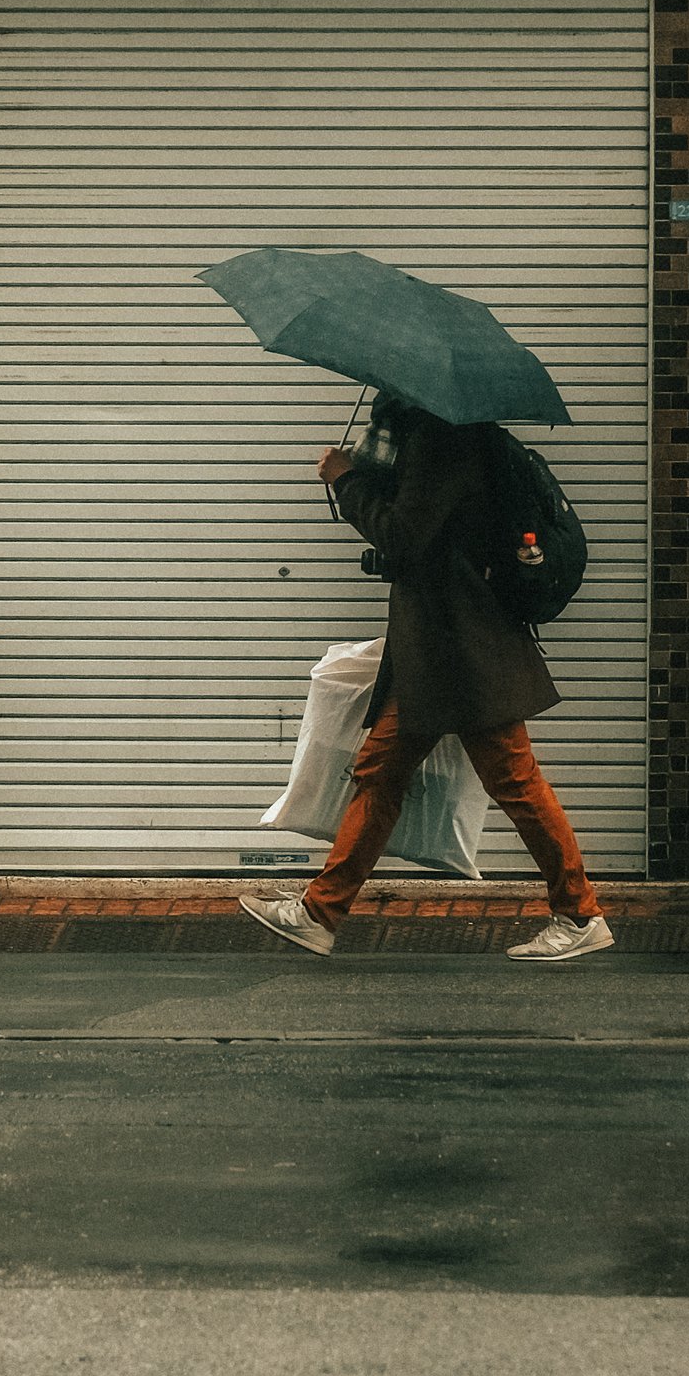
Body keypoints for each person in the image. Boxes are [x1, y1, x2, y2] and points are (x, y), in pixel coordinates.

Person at [240, 392, 611, 964]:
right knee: (380, 771)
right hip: (439, 643)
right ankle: (319, 913)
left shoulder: (444, 437)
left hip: (461, 644)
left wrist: (345, 481)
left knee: (513, 779)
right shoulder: (443, 432)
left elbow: (405, 537)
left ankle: (580, 913)